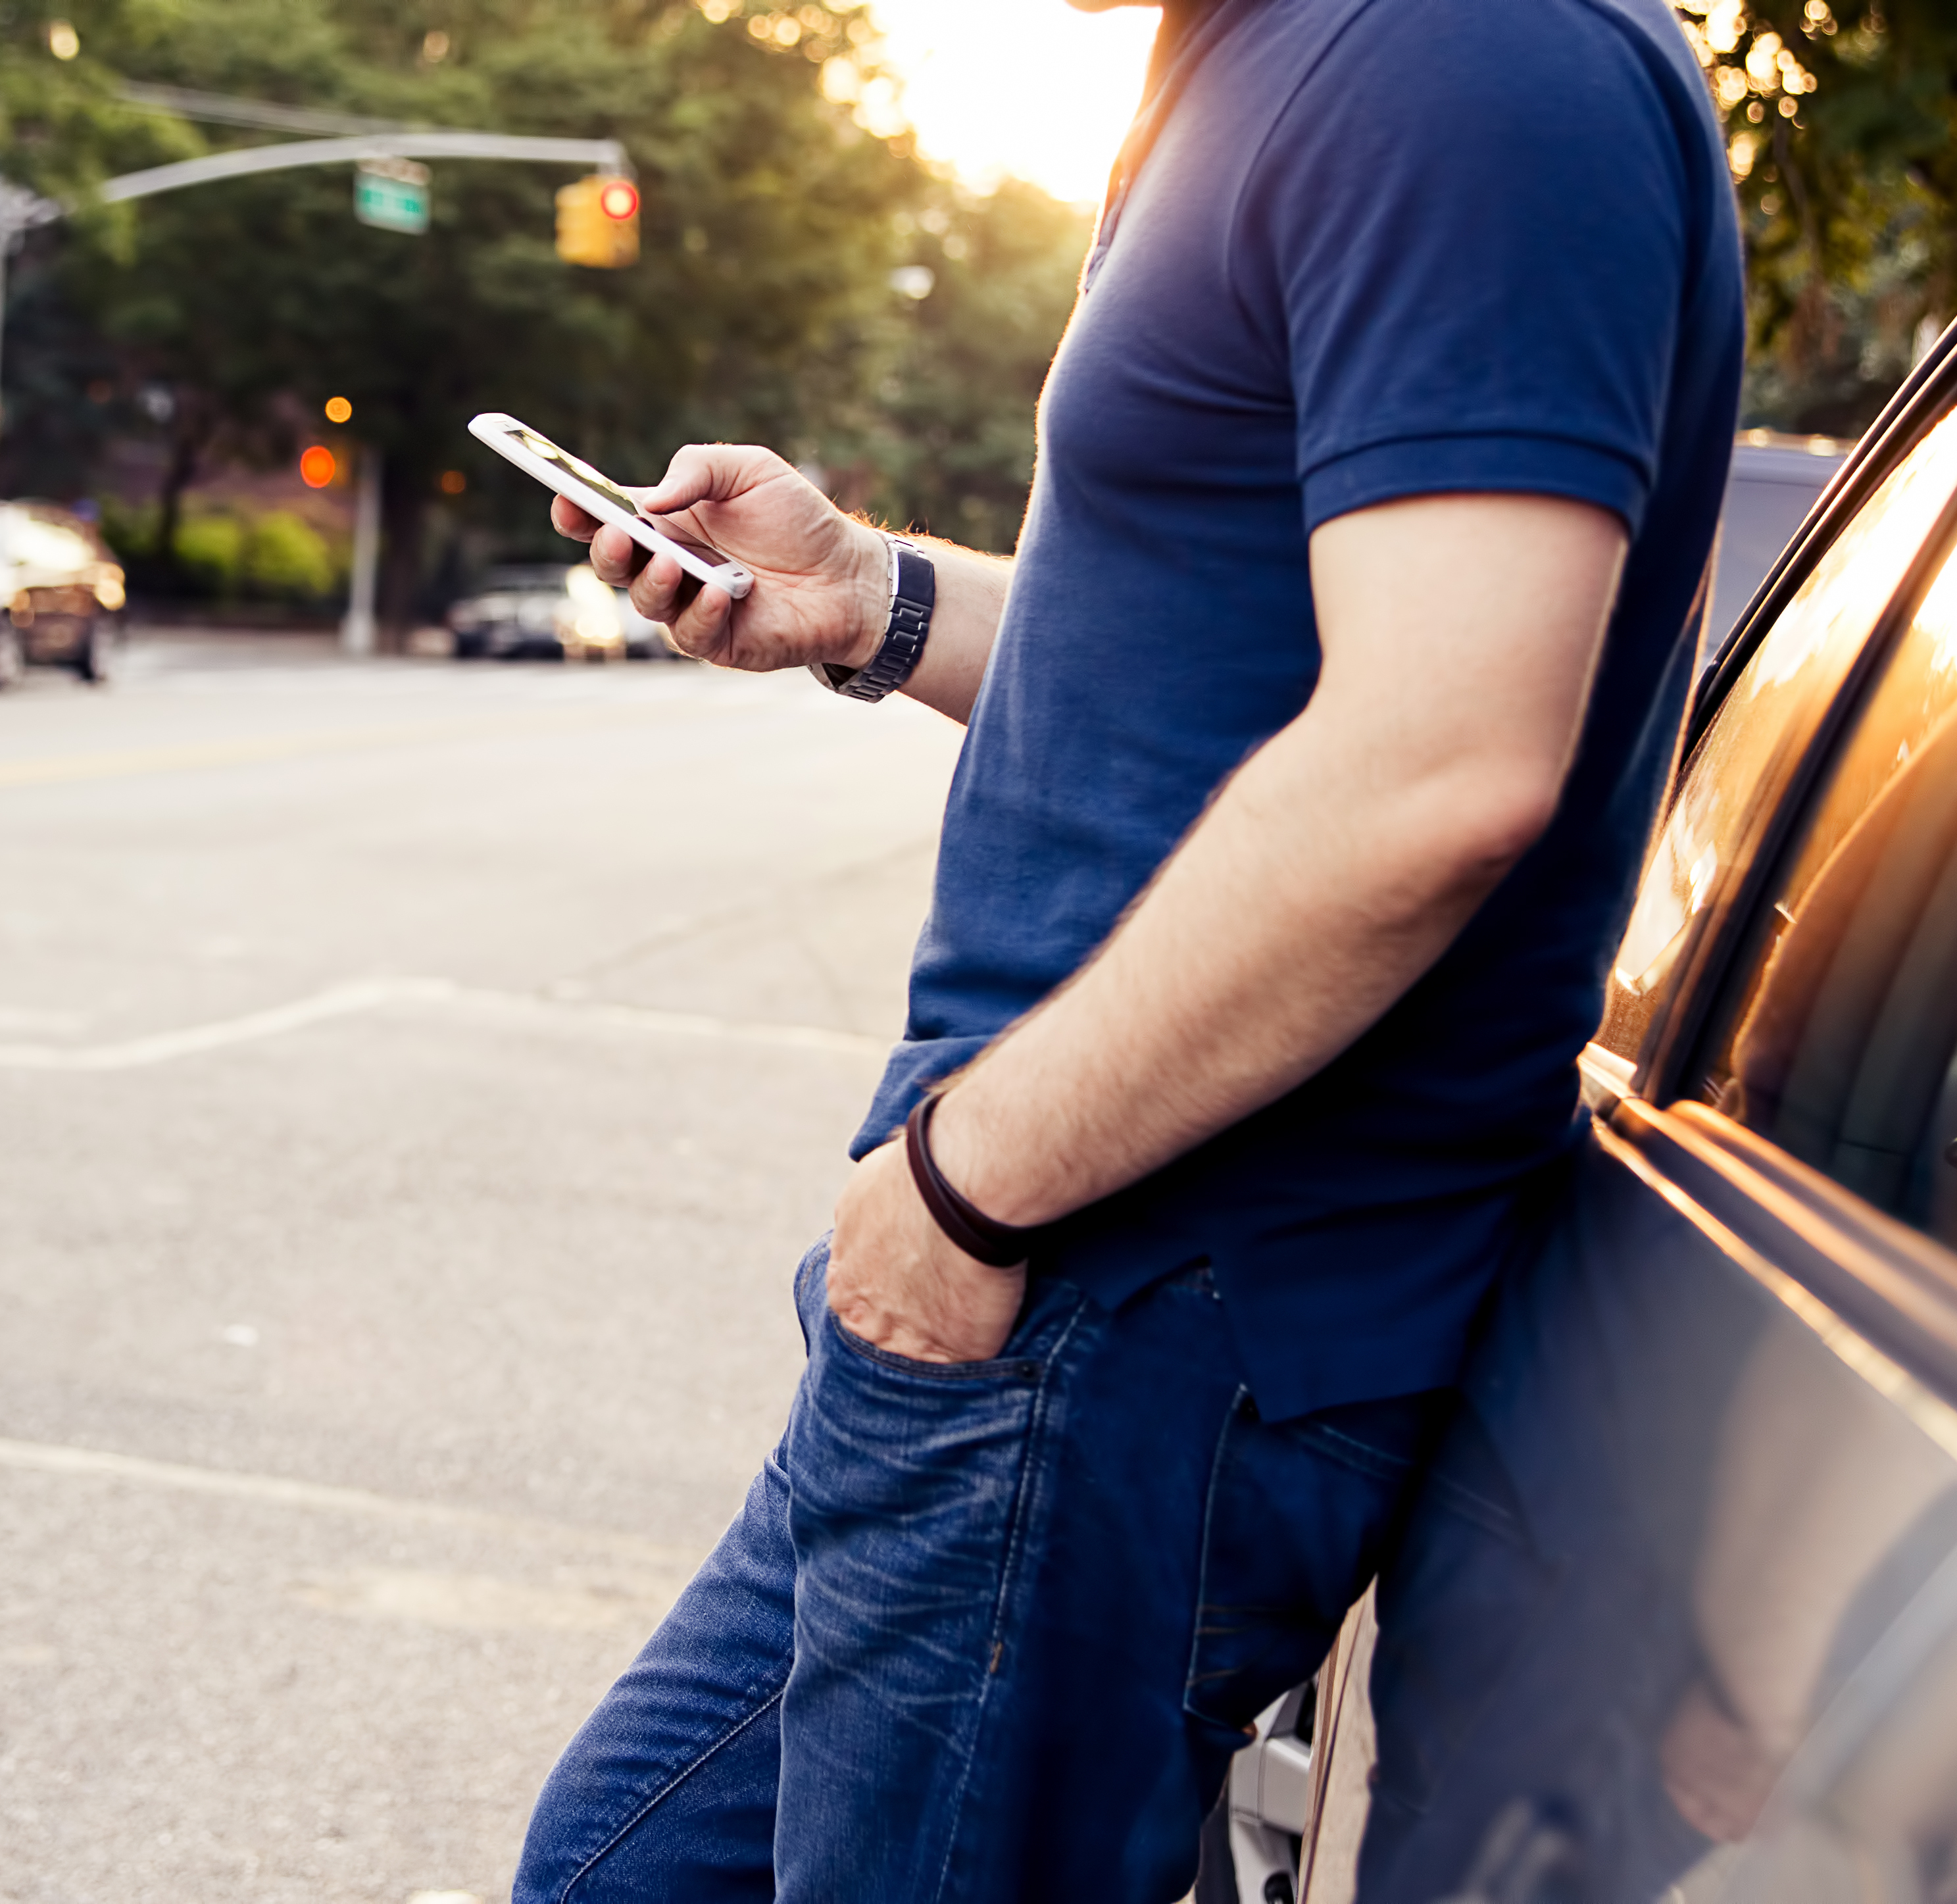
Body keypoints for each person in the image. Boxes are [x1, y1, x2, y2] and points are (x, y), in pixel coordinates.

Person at [509, 0, 1746, 1897]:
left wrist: (965, 1191)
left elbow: (1435, 764)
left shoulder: (1461, 52)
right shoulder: (1268, 55)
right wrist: (866, 598)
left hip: (1129, 1287)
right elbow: (1215, 684)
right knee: (624, 1868)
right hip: (1045, 1298)